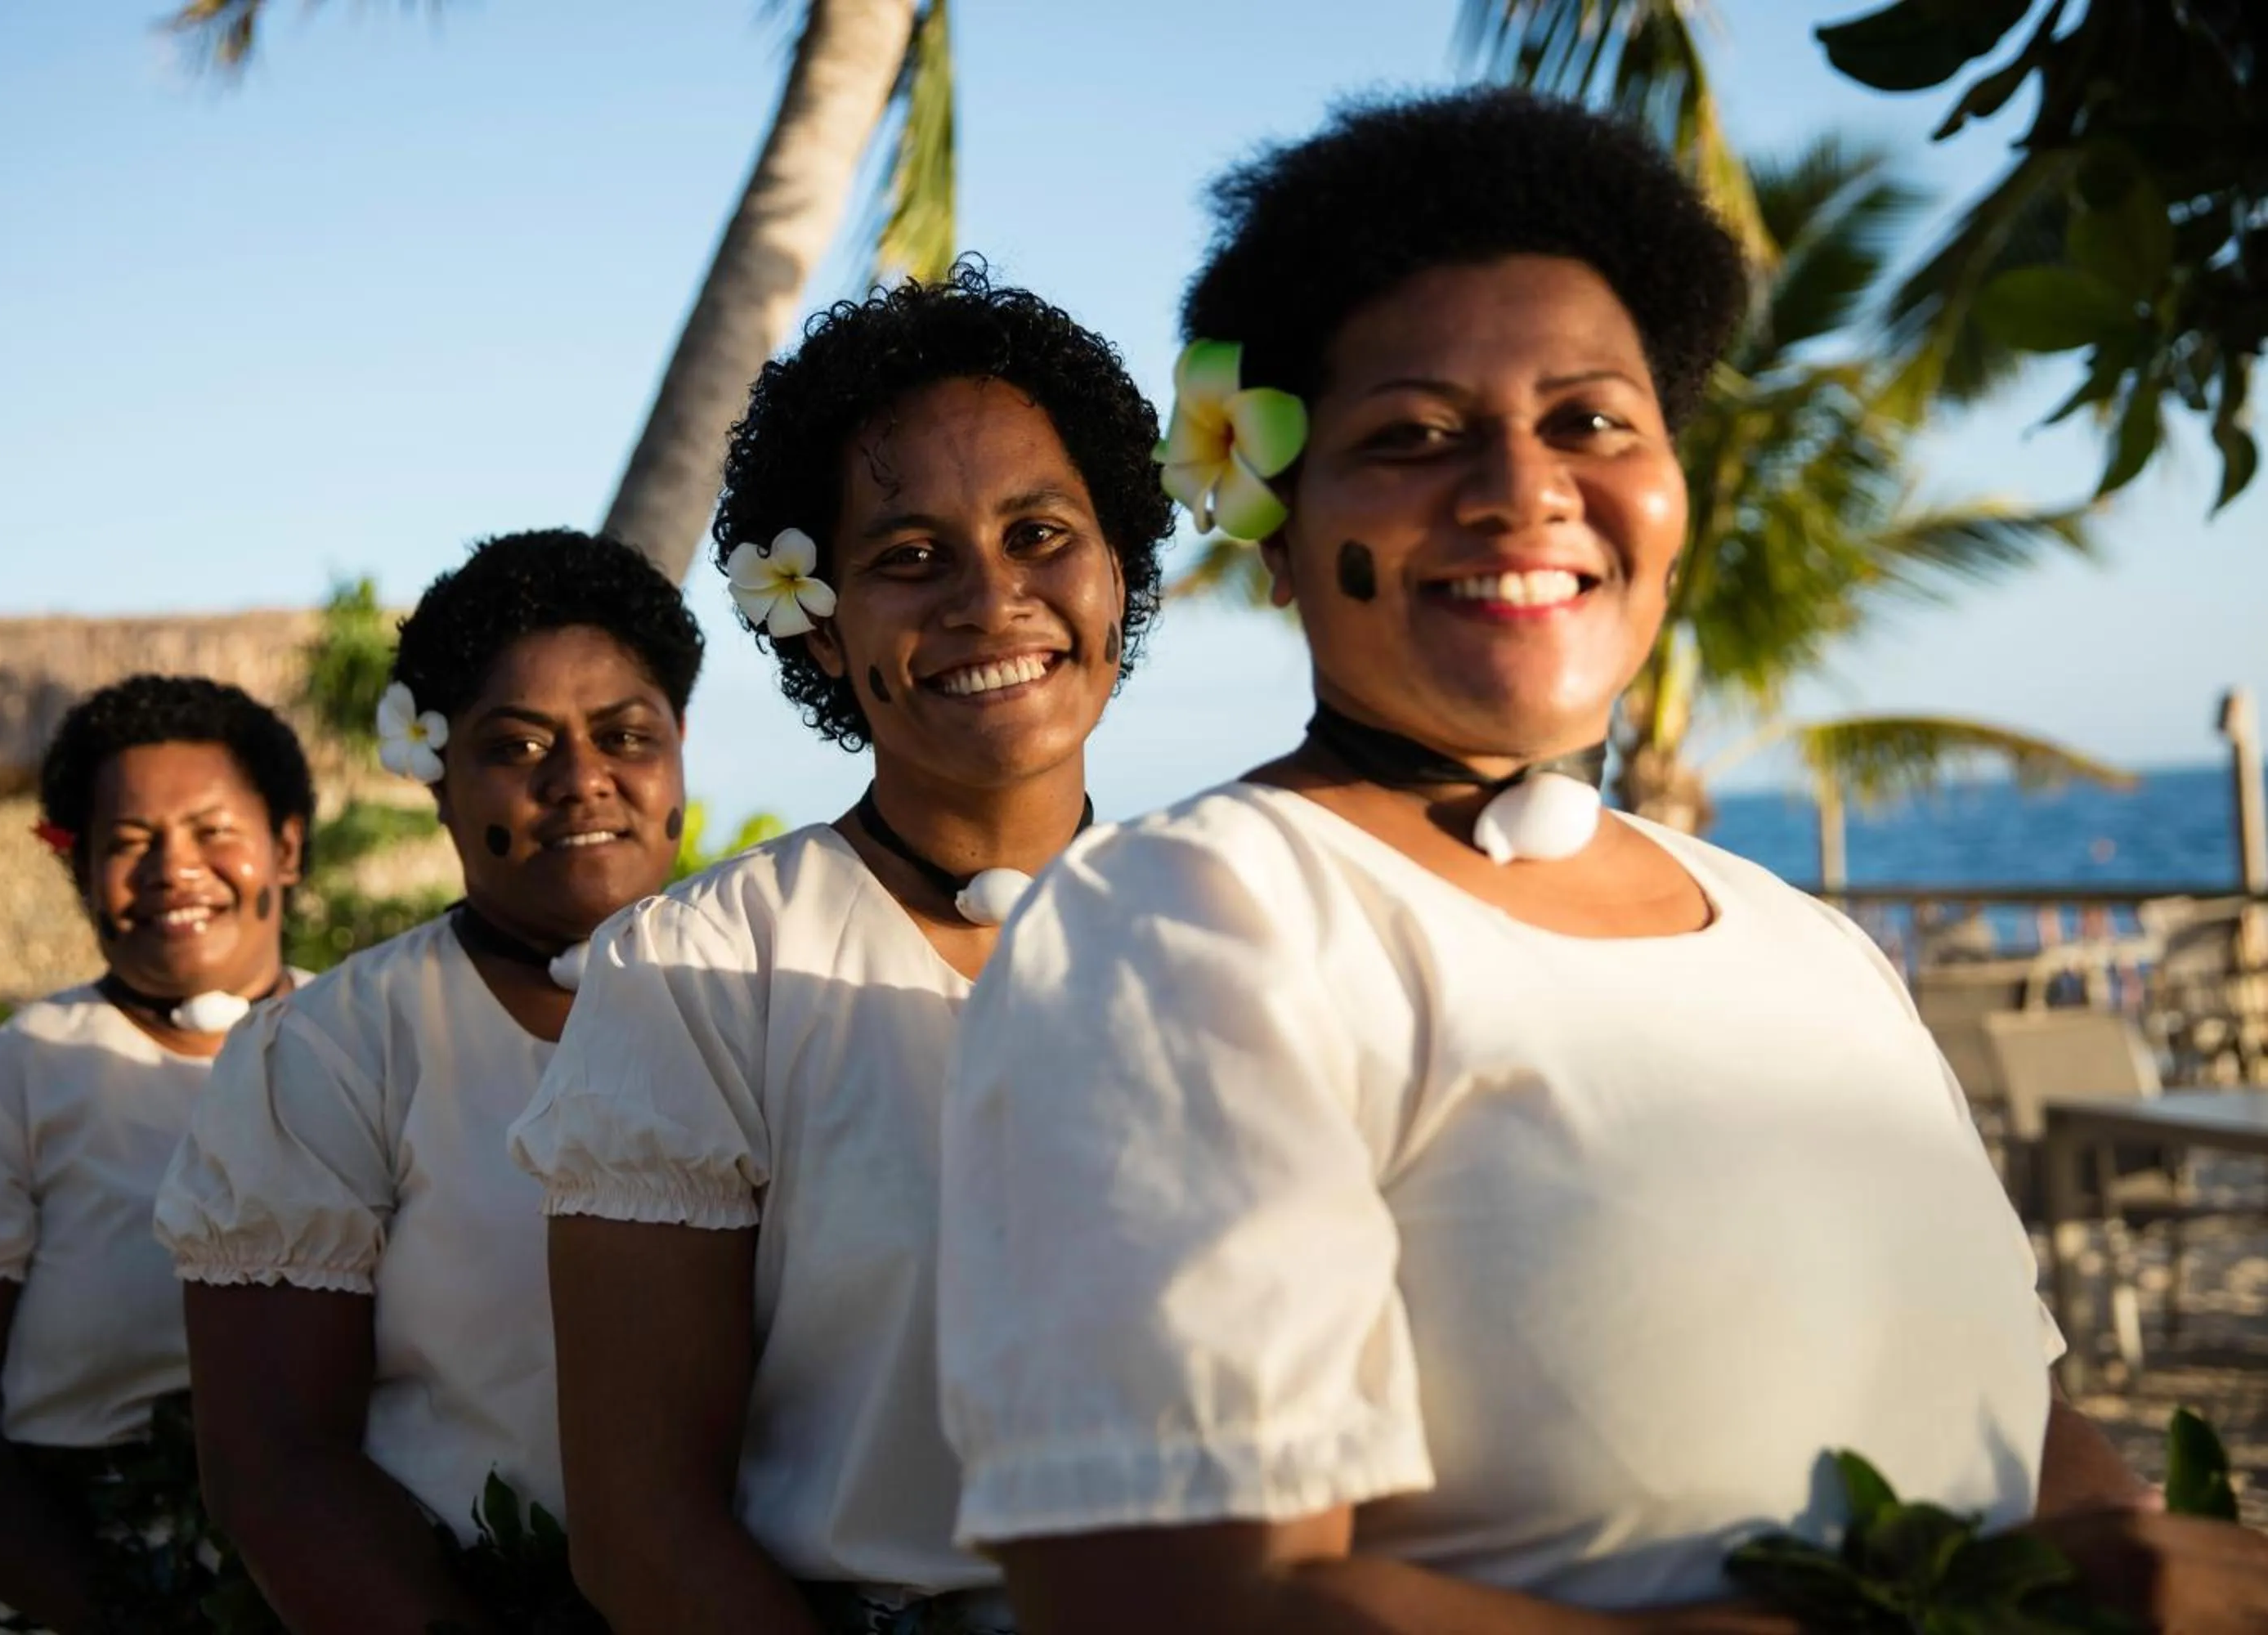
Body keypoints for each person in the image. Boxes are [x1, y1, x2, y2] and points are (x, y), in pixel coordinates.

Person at [936, 90, 2268, 1635]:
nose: (1521, 485)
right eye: (1414, 434)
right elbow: (1171, 1595)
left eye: (1590, 420)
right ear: (1280, 532)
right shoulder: (1195, 923)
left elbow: (2023, 1427)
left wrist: (2141, 1559)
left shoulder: (1804, 941)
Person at [508, 264, 1173, 1634]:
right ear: (818, 628)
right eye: (909, 555)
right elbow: (642, 1536)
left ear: (1123, 569)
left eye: (1041, 532)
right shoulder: (702, 975)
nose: (991, 598)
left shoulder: (1245, 921)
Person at [154, 529, 701, 1633]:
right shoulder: (333, 1052)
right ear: (437, 780)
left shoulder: (783, 997)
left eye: (625, 735)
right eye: (520, 744)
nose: (583, 777)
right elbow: (277, 1463)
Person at [0, 674, 312, 1633]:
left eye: (214, 829)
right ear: (80, 869)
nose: (176, 867)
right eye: (129, 843)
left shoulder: (386, 1045)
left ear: (284, 845)